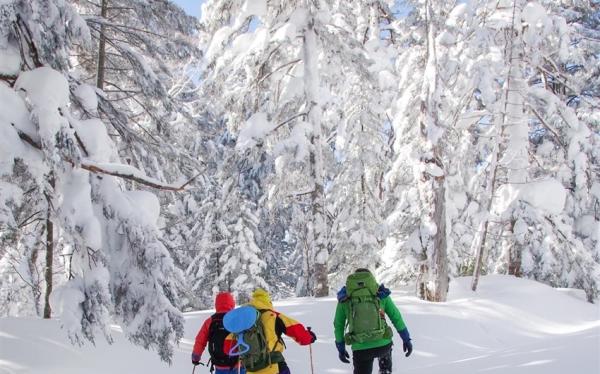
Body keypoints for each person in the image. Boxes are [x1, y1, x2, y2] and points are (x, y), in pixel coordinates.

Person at [333, 269, 413, 374]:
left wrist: (341, 348)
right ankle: (385, 370)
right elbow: (395, 317)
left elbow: (339, 325)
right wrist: (406, 338)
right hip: (383, 344)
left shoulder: (345, 298)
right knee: (385, 369)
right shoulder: (380, 293)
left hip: (360, 348)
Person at [243, 288, 317, 374]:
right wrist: (309, 337)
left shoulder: (243, 320)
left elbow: (229, 344)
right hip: (274, 364)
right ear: (268, 301)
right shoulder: (273, 316)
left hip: (251, 366)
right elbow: (296, 330)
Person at [192, 292, 246, 374]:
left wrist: (196, 356)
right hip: (237, 363)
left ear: (217, 304)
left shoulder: (210, 321)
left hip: (219, 364)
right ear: (232, 303)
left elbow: (200, 340)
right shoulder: (237, 319)